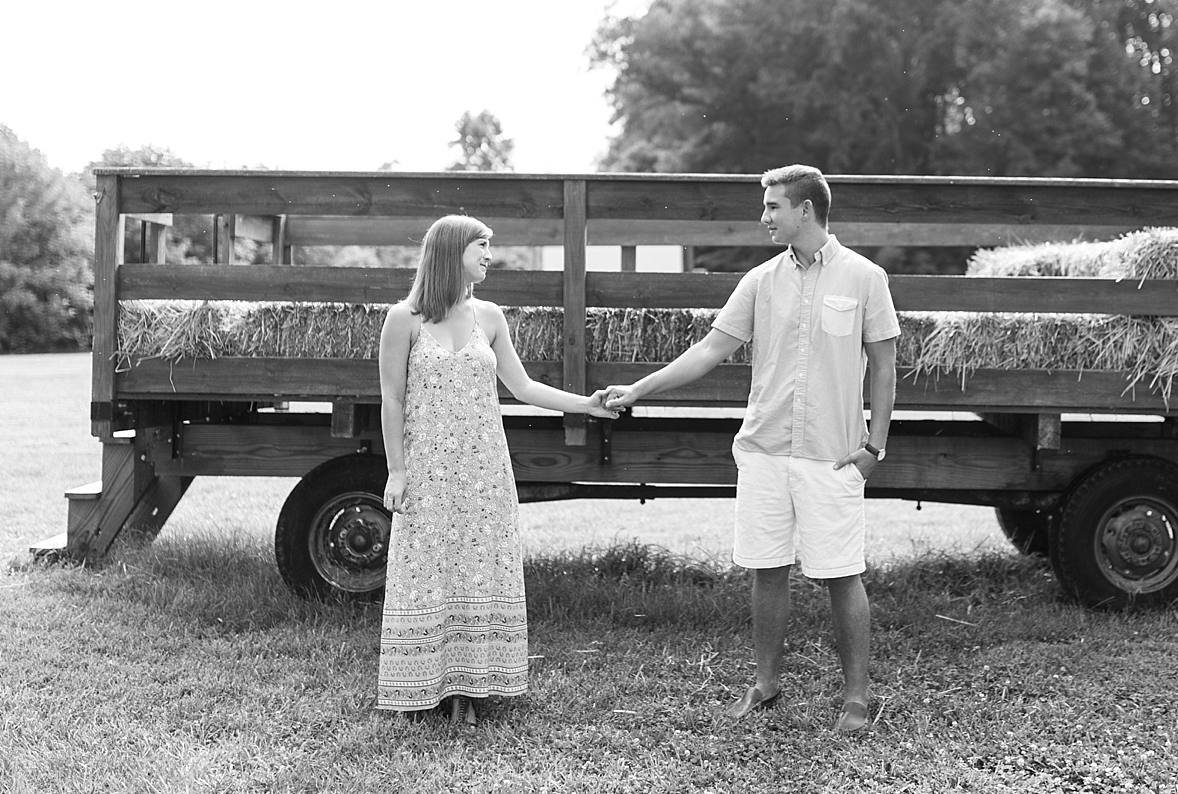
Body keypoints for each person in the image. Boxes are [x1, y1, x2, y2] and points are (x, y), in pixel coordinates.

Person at [605, 165, 899, 733]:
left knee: (842, 574)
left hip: (832, 456)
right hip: (764, 450)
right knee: (767, 569)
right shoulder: (760, 281)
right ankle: (765, 685)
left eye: (772, 207)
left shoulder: (866, 278)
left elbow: (885, 365)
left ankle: (857, 698)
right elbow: (710, 349)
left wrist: (874, 447)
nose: (763, 217)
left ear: (805, 210)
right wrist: (638, 389)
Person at [375, 214, 615, 726]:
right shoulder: (404, 319)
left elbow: (524, 388)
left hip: (485, 467)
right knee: (427, 569)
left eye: (490, 246)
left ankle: (471, 687)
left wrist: (586, 404)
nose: (489, 254)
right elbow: (391, 401)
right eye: (481, 245)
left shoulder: (490, 316)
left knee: (479, 567)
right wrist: (397, 471)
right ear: (450, 250)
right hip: (428, 468)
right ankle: (426, 682)